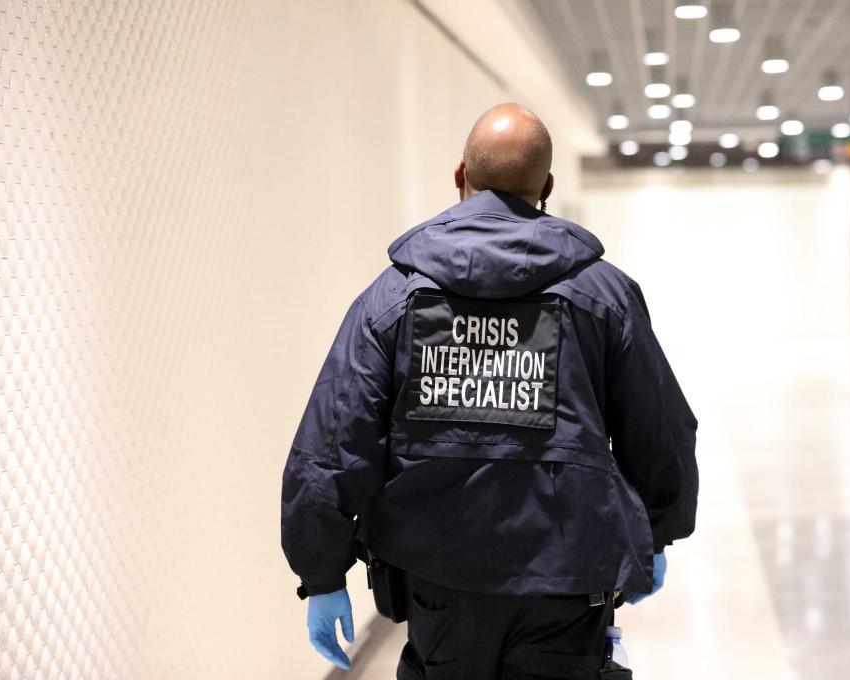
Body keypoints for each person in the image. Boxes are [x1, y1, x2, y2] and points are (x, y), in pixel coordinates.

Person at [280, 102, 699, 678]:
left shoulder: (392, 299)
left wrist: (322, 574)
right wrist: (657, 533)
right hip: (567, 585)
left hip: (438, 588)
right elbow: (660, 429)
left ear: (460, 174)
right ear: (546, 187)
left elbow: (332, 443)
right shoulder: (604, 296)